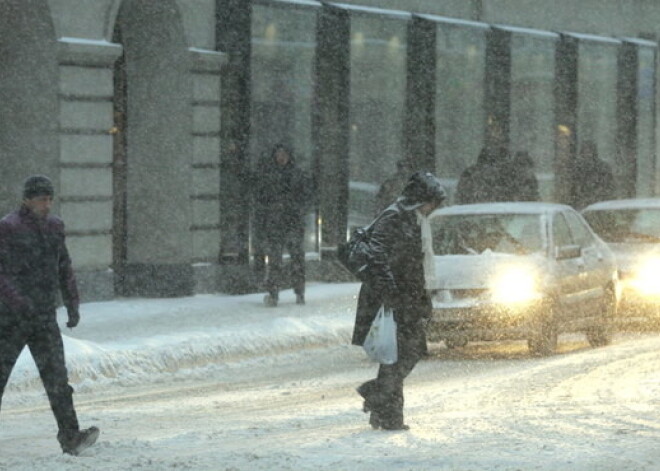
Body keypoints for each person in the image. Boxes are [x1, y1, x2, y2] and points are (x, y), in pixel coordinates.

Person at [0, 175, 99, 455]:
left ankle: (71, 436)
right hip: (11, 319)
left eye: (49, 199)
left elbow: (63, 265)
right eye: (41, 199)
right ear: (27, 200)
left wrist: (72, 302)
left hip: (43, 317)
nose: (46, 204)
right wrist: (19, 303)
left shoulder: (54, 226)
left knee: (57, 379)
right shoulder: (9, 227)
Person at [353, 171, 447, 431]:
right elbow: (377, 255)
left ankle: (383, 408)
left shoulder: (413, 219)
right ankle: (384, 406)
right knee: (402, 354)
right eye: (432, 202)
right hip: (393, 299)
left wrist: (420, 297)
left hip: (407, 297)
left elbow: (416, 263)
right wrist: (393, 293)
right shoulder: (395, 217)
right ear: (421, 199)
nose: (433, 208)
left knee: (404, 355)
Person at [256, 144, 314, 307]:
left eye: (284, 154)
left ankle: (299, 292)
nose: (281, 157)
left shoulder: (297, 175)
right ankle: (274, 292)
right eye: (278, 154)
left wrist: (295, 210)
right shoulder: (269, 175)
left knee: (296, 259)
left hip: (292, 223)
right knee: (276, 260)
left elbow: (306, 197)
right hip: (276, 224)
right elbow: (261, 199)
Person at [572, 140, 615, 209]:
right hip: (582, 204)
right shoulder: (577, 168)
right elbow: (574, 186)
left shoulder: (603, 167)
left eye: (589, 151)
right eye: (584, 151)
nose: (587, 154)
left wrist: (597, 195)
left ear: (594, 152)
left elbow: (607, 185)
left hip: (599, 204)